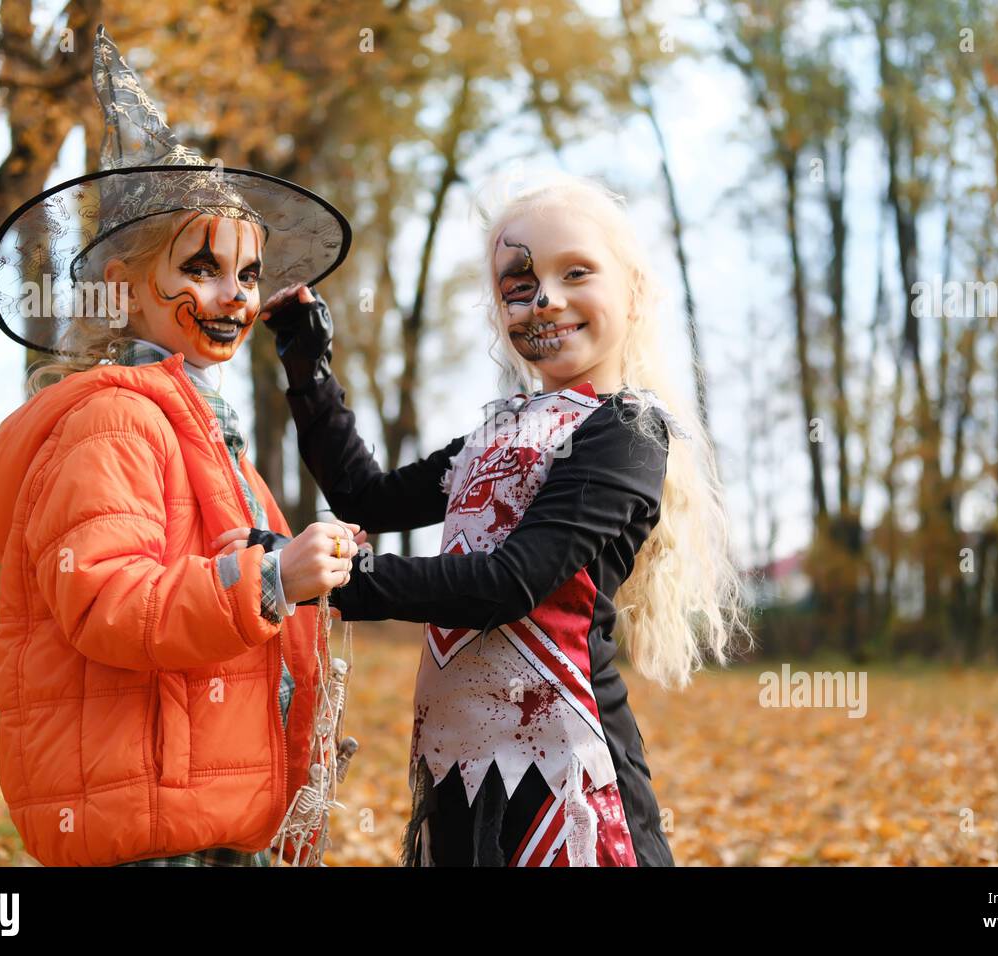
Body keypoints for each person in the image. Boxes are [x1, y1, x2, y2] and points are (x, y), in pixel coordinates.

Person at [257, 173, 754, 866]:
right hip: (456, 766)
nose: (544, 300)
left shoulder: (628, 432)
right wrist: (307, 366)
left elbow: (509, 582)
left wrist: (332, 580)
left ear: (634, 291)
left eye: (575, 271)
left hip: (565, 779)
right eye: (518, 284)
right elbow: (367, 499)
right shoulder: (496, 435)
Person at [0, 25, 358, 866]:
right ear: (122, 286)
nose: (234, 297)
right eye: (203, 267)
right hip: (146, 823)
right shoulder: (114, 420)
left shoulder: (208, 431)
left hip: (206, 807)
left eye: (249, 276)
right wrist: (272, 577)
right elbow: (106, 599)